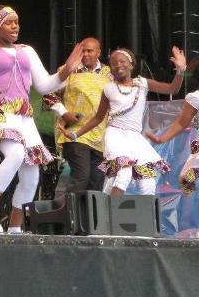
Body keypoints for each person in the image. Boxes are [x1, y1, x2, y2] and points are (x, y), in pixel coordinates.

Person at [0, 5, 84, 233]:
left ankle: (15, 229)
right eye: (9, 22)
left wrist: (65, 72)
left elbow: (44, 85)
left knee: (31, 174)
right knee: (15, 154)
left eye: (17, 22)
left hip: (23, 116)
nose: (15, 26)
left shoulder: (28, 51)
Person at [61, 47, 186, 195]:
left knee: (147, 182)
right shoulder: (108, 89)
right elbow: (98, 118)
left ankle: (143, 216)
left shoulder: (142, 83)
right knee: (124, 173)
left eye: (122, 61)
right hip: (115, 135)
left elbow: (173, 89)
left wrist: (181, 70)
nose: (118, 65)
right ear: (110, 69)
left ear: (131, 64)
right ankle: (110, 216)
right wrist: (76, 134)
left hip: (135, 137)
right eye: (114, 63)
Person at [43, 37, 112, 192]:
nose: (85, 54)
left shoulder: (109, 73)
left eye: (90, 51)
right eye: (83, 51)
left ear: (98, 52)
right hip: (74, 132)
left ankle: (91, 216)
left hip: (101, 135)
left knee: (97, 180)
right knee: (82, 176)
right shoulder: (68, 70)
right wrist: (64, 112)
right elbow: (48, 93)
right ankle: (70, 215)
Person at [146, 82, 199, 194]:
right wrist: (162, 139)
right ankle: (190, 205)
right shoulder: (196, 98)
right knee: (186, 179)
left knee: (186, 179)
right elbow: (181, 123)